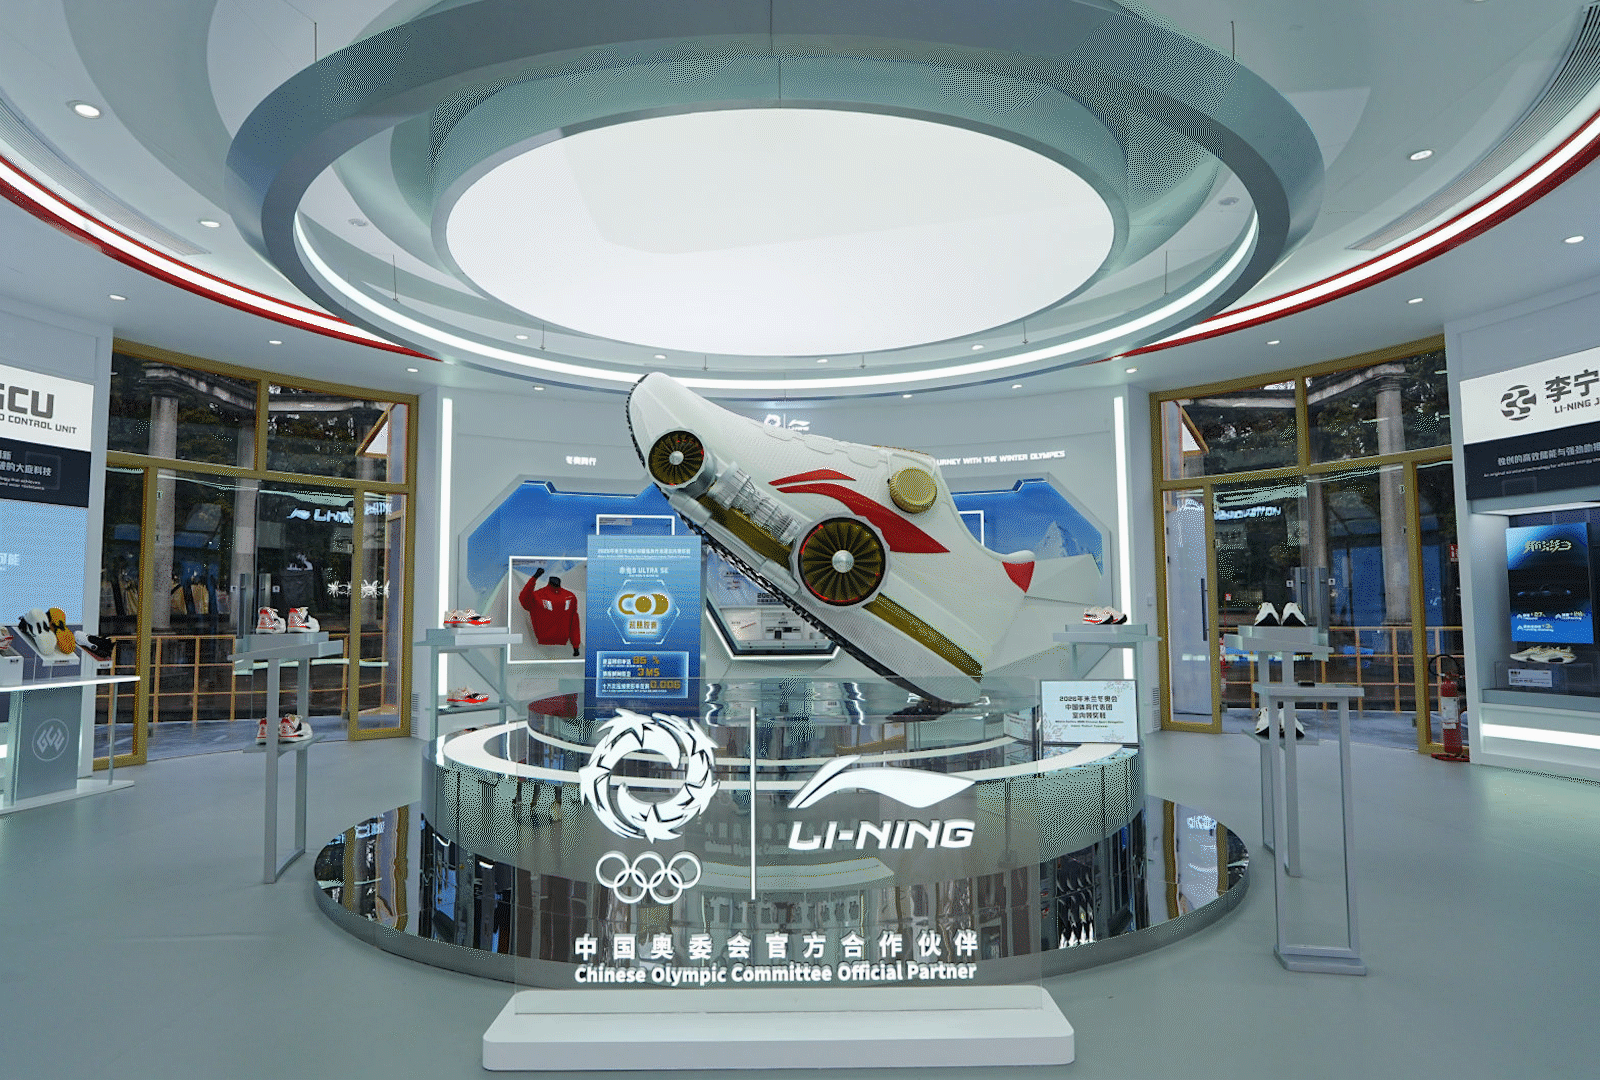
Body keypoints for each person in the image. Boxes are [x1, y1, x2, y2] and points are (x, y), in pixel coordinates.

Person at [518, 567, 581, 656]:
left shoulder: (570, 596)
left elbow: (574, 623)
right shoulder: (537, 596)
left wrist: (576, 645)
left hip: (564, 647)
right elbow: (524, 598)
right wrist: (534, 578)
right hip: (541, 646)